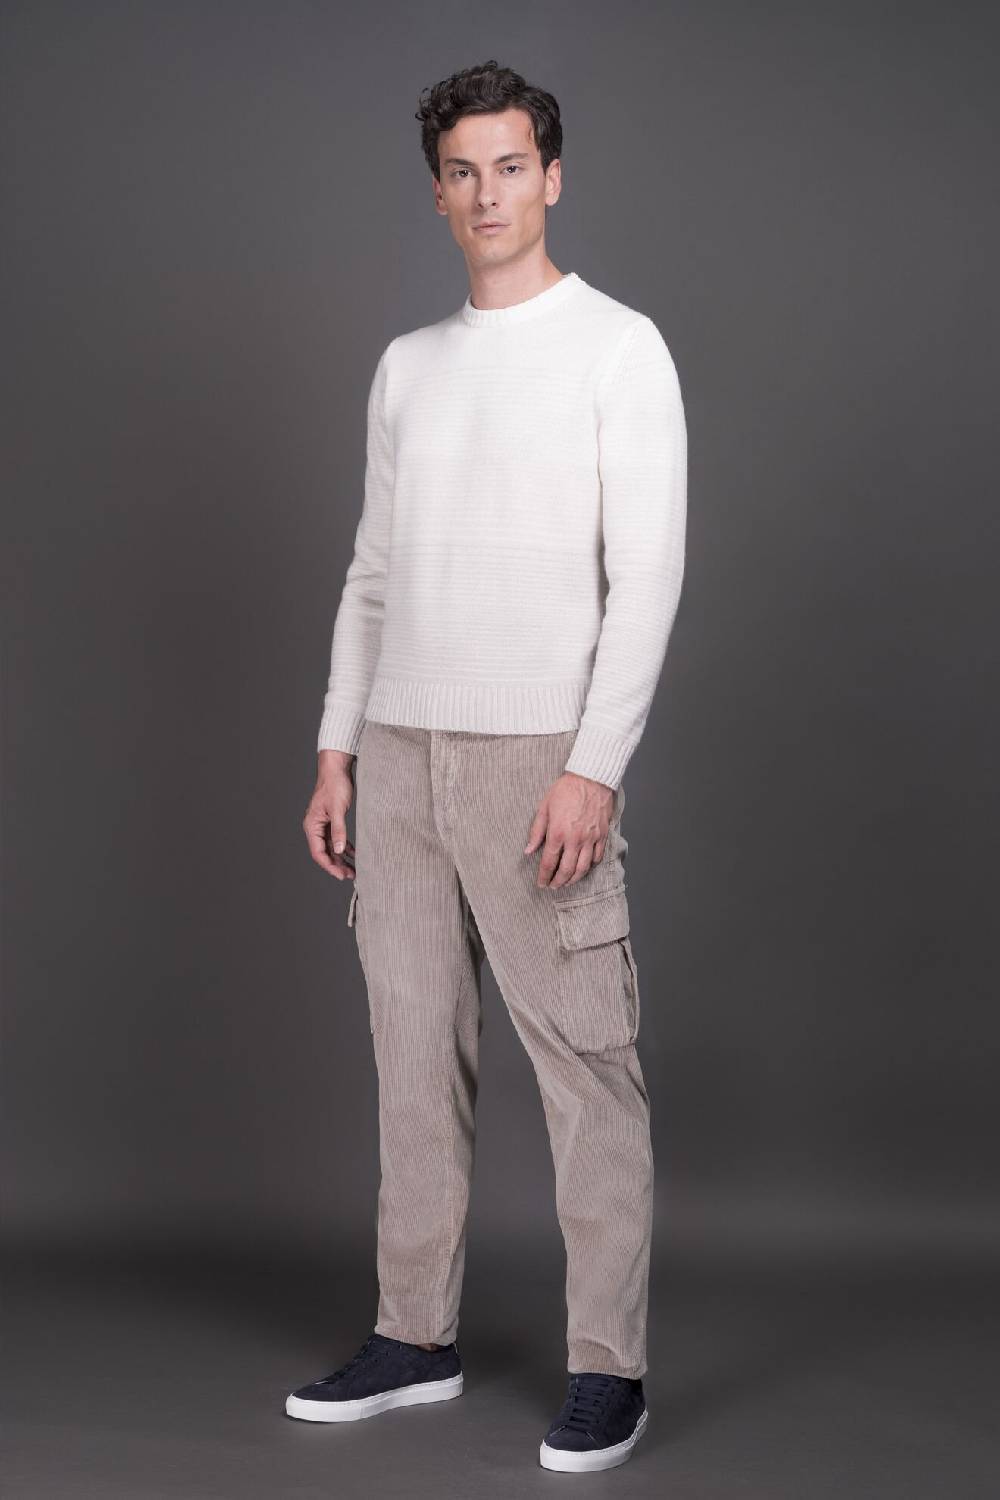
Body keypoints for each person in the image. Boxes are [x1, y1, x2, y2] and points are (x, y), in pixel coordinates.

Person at [285, 58, 687, 1475]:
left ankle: (609, 1368)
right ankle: (416, 1336)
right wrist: (338, 746)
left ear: (551, 178)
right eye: (462, 173)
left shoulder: (619, 348)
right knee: (414, 1057)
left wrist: (595, 765)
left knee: (587, 1069)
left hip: (539, 759)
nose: (487, 194)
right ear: (439, 193)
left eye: (510, 166)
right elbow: (373, 572)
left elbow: (647, 578)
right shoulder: (410, 366)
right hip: (400, 753)